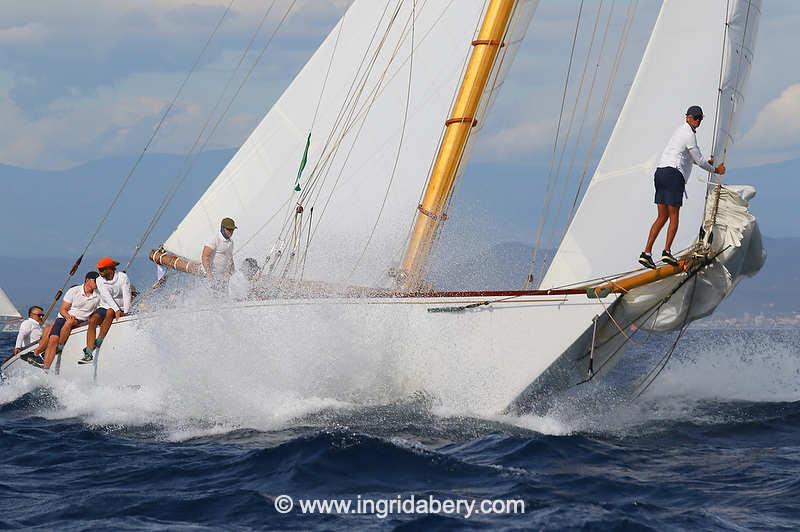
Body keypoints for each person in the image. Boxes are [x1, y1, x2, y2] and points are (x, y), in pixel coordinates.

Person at [639, 105, 726, 269]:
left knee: (662, 217)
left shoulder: (679, 132)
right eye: (695, 117)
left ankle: (646, 253)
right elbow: (698, 160)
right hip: (673, 175)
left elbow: (690, 157)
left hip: (660, 173)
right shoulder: (689, 135)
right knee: (674, 216)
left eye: (700, 118)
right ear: (687, 117)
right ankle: (666, 251)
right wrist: (716, 170)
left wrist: (705, 162)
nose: (697, 120)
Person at [42, 271, 107, 370]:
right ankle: (42, 359)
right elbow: (63, 309)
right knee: (52, 336)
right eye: (96, 281)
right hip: (65, 317)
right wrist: (68, 316)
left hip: (81, 321)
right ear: (87, 280)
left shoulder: (98, 295)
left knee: (66, 324)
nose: (98, 283)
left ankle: (58, 347)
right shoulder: (74, 290)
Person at [95, 256, 132, 346]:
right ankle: (98, 341)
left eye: (101, 269)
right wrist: (117, 310)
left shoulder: (123, 277)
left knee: (111, 312)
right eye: (99, 270)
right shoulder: (99, 280)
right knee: (108, 312)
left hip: (123, 308)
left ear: (109, 269)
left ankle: (100, 339)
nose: (99, 272)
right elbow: (107, 297)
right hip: (107, 307)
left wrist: (126, 312)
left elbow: (126, 295)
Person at [202, 217, 236, 291]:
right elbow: (205, 256)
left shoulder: (230, 242)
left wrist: (232, 270)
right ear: (222, 228)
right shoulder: (214, 239)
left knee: (224, 297)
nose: (231, 232)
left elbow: (230, 257)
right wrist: (209, 275)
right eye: (229, 229)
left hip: (222, 278)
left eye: (232, 230)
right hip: (211, 276)